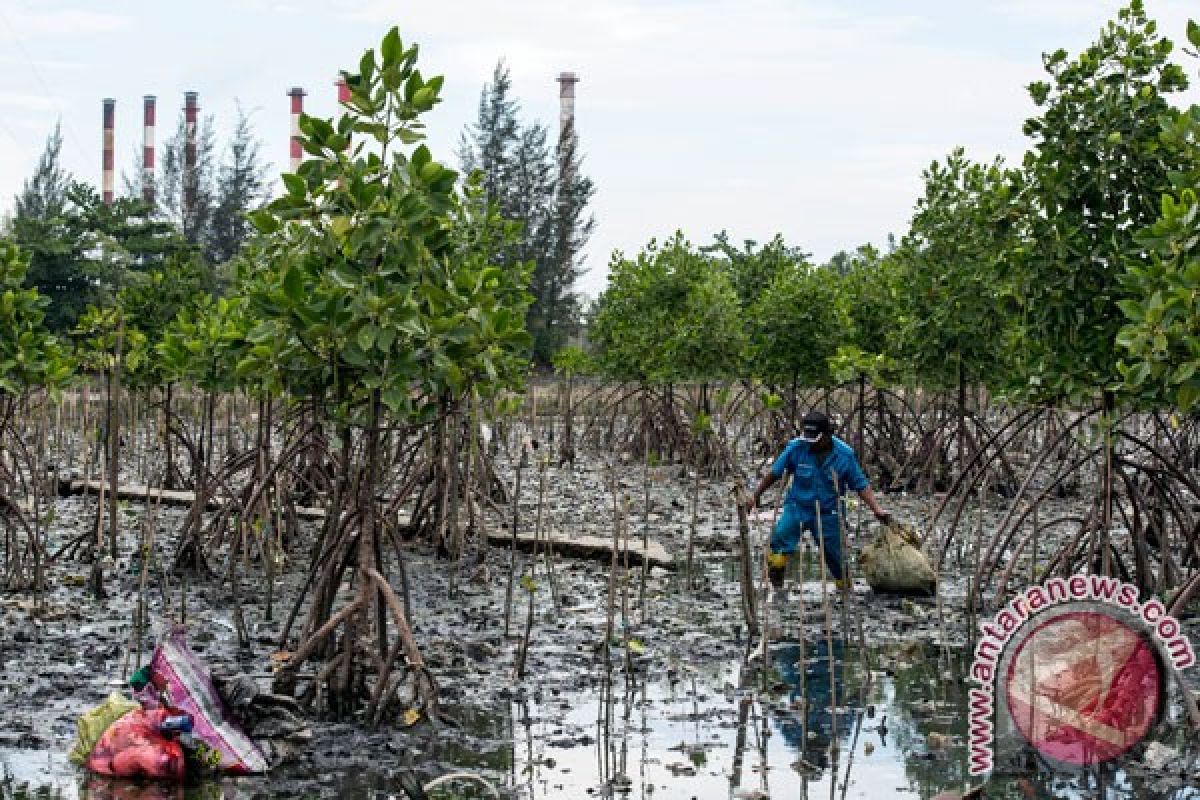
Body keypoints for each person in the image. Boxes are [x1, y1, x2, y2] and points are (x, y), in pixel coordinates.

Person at [747, 410, 891, 591]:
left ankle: (845, 591)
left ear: (827, 435)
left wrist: (877, 509)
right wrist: (755, 495)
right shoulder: (796, 447)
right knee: (778, 542)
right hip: (797, 506)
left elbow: (861, 485)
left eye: (815, 439)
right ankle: (776, 590)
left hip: (828, 512)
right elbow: (774, 473)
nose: (810, 443)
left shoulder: (844, 455)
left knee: (836, 559)